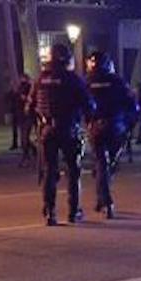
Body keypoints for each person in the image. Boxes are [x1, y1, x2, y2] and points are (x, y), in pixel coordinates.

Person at [27, 44, 94, 225]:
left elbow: (29, 106)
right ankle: (74, 211)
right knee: (74, 170)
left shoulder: (40, 79)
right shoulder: (72, 79)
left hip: (47, 130)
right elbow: (89, 104)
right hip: (68, 128)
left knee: (50, 171)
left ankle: (50, 212)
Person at [84, 52, 137, 219]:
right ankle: (105, 199)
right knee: (109, 164)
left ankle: (103, 198)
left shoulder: (86, 82)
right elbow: (132, 105)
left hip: (96, 127)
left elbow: (81, 104)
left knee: (101, 163)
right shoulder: (117, 81)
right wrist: (129, 125)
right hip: (116, 127)